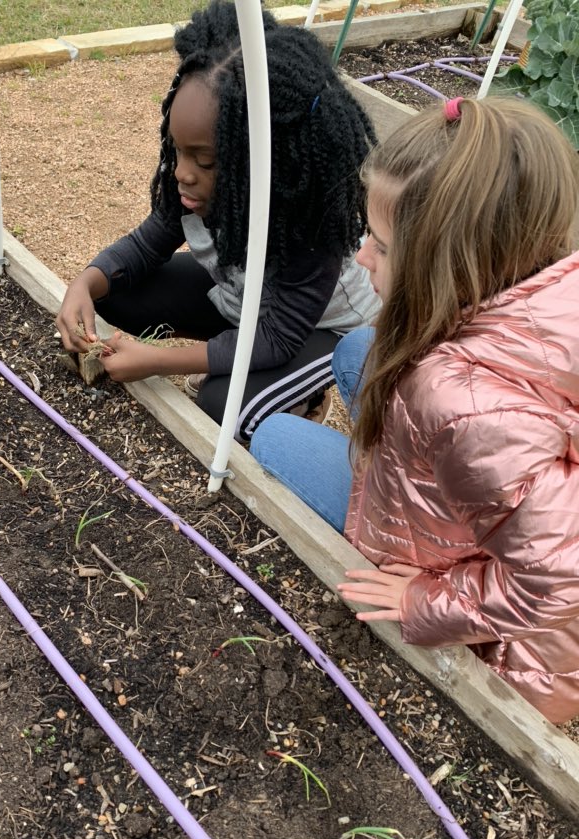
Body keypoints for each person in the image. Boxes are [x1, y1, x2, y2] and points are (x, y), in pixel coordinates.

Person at [251, 96, 579, 724]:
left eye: (379, 244)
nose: (360, 258)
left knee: (273, 436)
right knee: (357, 350)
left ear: (444, 266)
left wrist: (423, 601)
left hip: (520, 648)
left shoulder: (458, 400)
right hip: (488, 505)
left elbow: (558, 580)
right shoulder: (539, 283)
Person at [56, 0, 379, 441]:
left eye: (204, 160)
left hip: (320, 331)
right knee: (115, 292)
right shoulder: (186, 180)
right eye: (178, 150)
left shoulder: (309, 221)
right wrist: (84, 284)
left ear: (262, 161)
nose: (182, 172)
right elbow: (149, 243)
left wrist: (158, 359)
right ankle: (228, 357)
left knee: (223, 406)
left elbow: (276, 337)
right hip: (243, 301)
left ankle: (303, 397)